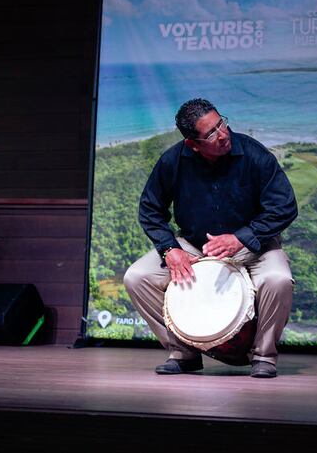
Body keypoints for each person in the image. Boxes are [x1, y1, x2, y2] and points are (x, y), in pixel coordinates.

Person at [123, 98, 297, 378]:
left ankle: (263, 355)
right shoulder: (173, 160)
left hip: (255, 245)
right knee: (137, 277)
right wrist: (170, 249)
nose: (223, 134)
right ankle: (184, 352)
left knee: (278, 279)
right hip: (193, 244)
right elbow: (150, 209)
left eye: (222, 123)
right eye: (212, 133)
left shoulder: (253, 153)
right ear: (193, 144)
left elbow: (285, 206)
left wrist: (241, 238)